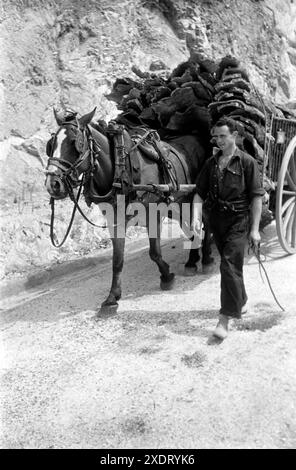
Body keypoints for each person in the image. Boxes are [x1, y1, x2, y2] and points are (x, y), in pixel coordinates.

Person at [192, 117, 264, 339]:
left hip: (238, 221)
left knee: (228, 266)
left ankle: (224, 318)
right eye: (216, 136)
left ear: (235, 136)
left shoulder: (247, 162)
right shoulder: (211, 163)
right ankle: (240, 300)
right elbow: (198, 193)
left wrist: (254, 229)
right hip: (217, 222)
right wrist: (196, 217)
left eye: (223, 136)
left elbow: (256, 198)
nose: (219, 140)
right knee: (233, 266)